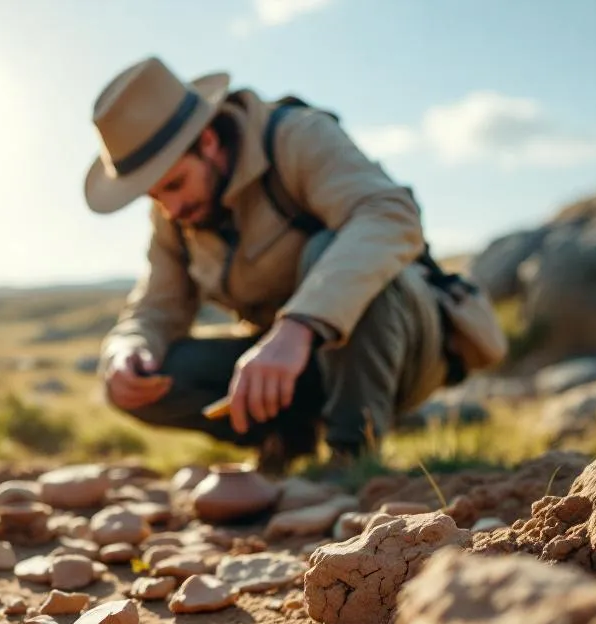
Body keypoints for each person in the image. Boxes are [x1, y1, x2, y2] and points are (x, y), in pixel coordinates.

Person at [85, 56, 452, 474]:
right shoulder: (176, 213)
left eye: (174, 184)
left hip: (403, 347)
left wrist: (299, 325)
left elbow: (390, 216)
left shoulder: (298, 137)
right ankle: (288, 444)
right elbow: (156, 305)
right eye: (155, 197)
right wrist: (128, 347)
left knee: (331, 249)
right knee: (146, 379)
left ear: (208, 141)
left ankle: (353, 458)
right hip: (290, 368)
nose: (171, 208)